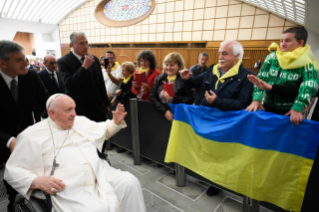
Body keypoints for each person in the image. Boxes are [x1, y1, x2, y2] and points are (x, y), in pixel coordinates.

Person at [4, 94, 146, 212]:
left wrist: (115, 123)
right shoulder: (31, 135)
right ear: (52, 113)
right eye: (68, 110)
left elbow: (102, 130)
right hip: (70, 186)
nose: (74, 114)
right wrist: (37, 181)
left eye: (74, 109)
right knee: (97, 208)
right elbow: (13, 170)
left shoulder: (80, 121)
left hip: (100, 172)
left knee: (130, 182)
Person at [180, 40, 254, 196]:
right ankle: (204, 174)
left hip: (225, 125)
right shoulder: (212, 69)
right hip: (204, 120)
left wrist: (218, 102)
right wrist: (187, 79)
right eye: (219, 53)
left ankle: (216, 182)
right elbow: (196, 83)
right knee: (204, 150)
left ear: (237, 56)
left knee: (220, 155)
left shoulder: (247, 77)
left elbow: (242, 104)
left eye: (224, 54)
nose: (220, 57)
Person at [0, 40, 49, 211]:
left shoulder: (31, 76)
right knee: (13, 186)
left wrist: (62, 114)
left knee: (31, 181)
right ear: (2, 63)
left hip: (27, 140)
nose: (26, 63)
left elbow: (46, 102)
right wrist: (9, 141)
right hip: (3, 143)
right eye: (19, 60)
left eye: (25, 58)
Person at [246, 27, 319, 126]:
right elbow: (260, 80)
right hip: (267, 106)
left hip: (290, 111)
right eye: (281, 41)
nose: (283, 44)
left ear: (300, 43)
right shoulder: (272, 57)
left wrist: (298, 106)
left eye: (287, 41)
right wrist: (256, 99)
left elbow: (310, 84)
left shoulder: (308, 61)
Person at [57, 31, 110, 122]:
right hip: (79, 110)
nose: (85, 46)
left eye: (86, 43)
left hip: (98, 109)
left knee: (102, 134)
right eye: (81, 43)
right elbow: (70, 85)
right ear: (72, 45)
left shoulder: (93, 59)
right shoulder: (63, 61)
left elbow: (100, 84)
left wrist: (106, 104)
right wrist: (84, 67)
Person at [150, 52, 194, 122]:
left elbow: (191, 98)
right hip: (160, 115)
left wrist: (173, 99)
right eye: (166, 65)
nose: (168, 67)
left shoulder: (184, 79)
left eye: (172, 65)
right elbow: (152, 96)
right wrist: (165, 111)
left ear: (179, 66)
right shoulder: (160, 78)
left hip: (178, 117)